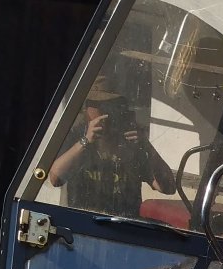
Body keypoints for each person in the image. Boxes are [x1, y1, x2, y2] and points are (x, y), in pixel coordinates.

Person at [48, 75, 175, 214]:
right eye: (97, 105)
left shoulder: (131, 143)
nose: (105, 112)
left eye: (110, 105)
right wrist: (85, 141)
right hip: (83, 223)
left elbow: (168, 187)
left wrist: (146, 146)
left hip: (123, 226)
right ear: (86, 109)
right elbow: (55, 179)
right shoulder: (77, 138)